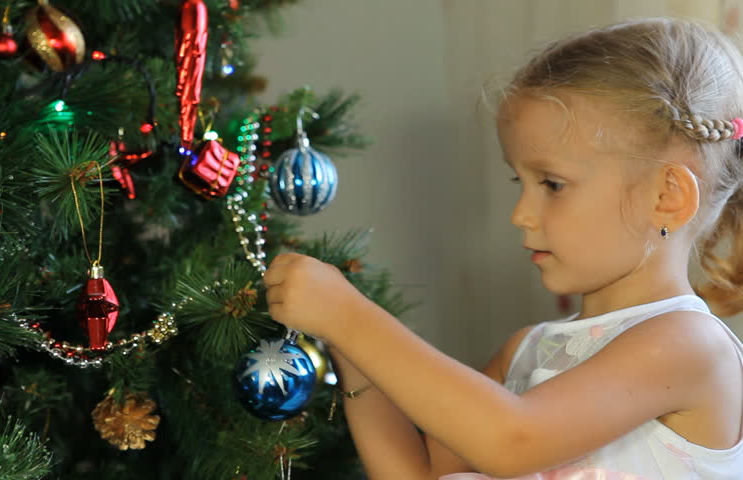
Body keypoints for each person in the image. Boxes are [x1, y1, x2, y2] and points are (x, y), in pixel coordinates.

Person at [263, 17, 743, 480]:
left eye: (552, 184)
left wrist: (350, 317)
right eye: (521, 181)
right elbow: (417, 475)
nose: (520, 214)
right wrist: (347, 344)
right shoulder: (524, 353)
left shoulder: (689, 346)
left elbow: (511, 441)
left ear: (667, 197)